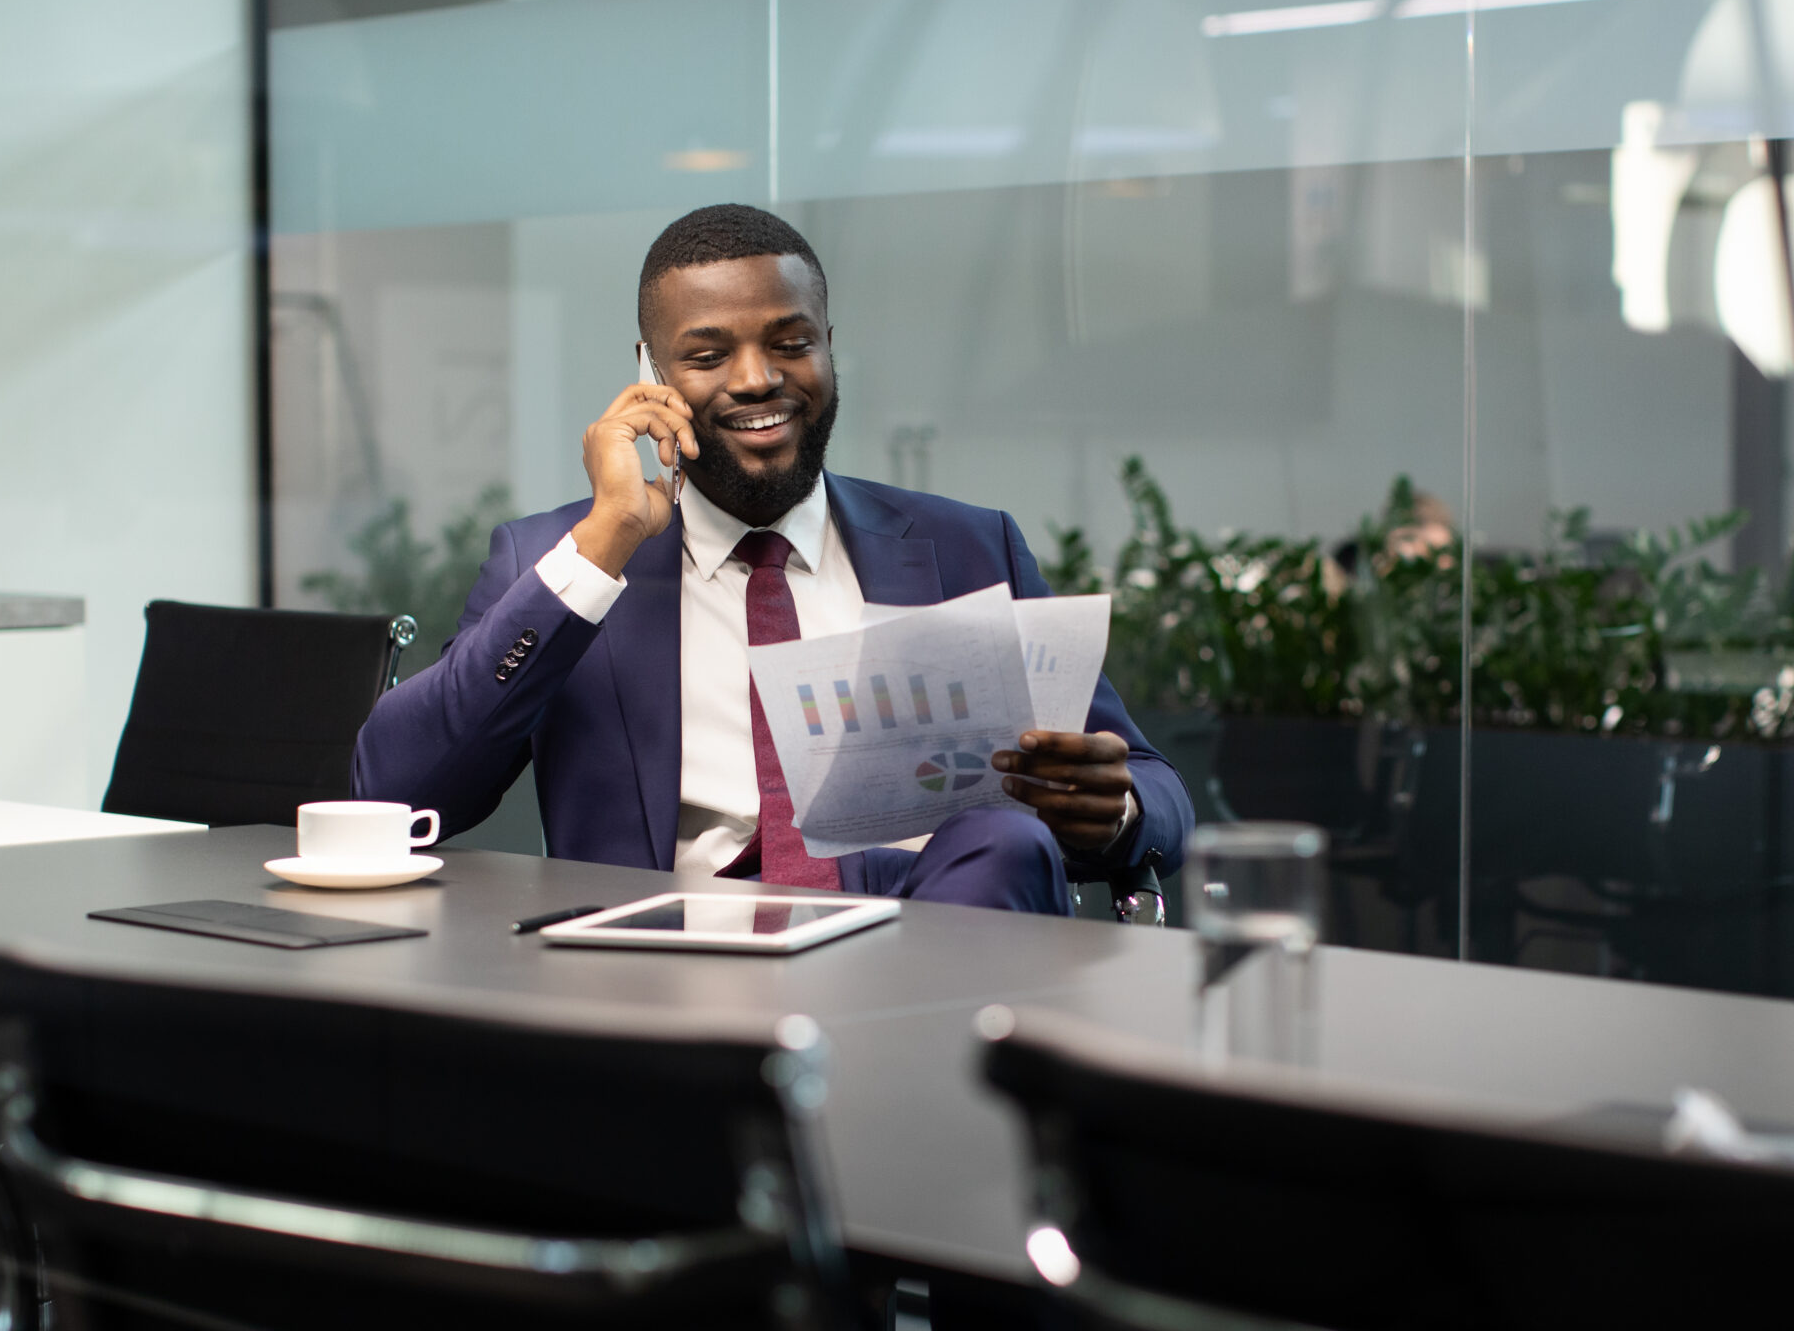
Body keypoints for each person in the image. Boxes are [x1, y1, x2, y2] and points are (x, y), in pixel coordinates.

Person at [353, 204, 1192, 913]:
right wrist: (604, 542)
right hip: (666, 985)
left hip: (928, 954)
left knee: (1002, 838)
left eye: (790, 343)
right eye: (708, 355)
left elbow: (1155, 790)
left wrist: (1110, 813)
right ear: (650, 375)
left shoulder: (970, 548)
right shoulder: (557, 563)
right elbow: (398, 793)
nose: (757, 379)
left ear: (828, 349)